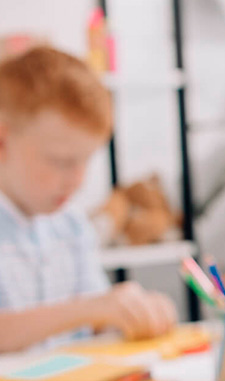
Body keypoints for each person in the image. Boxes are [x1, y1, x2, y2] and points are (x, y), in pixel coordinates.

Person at [0, 46, 176, 353]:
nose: (76, 180)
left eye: (85, 161)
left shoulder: (71, 225)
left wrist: (133, 312)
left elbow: (97, 319)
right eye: (62, 162)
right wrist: (86, 310)